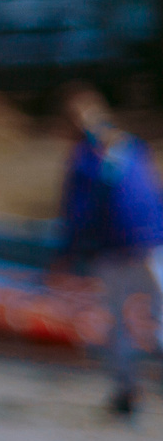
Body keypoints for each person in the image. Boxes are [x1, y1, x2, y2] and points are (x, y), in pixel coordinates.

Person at [56, 82, 163, 419]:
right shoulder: (133, 148)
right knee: (157, 309)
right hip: (150, 243)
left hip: (112, 250)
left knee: (117, 321)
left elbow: (78, 214)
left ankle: (126, 390)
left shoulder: (84, 161)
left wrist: (68, 254)